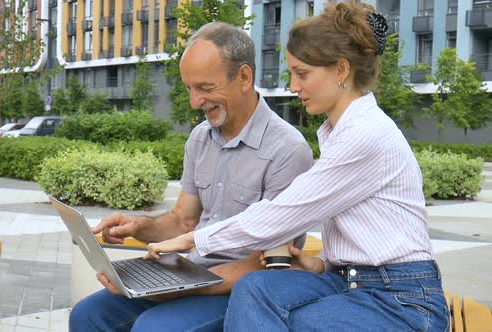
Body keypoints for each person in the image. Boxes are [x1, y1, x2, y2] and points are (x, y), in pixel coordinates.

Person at [146, 2, 449, 331]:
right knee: (255, 289)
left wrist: (193, 240)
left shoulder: (366, 136)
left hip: (402, 300)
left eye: (302, 73)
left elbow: (281, 214)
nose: (293, 86)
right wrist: (319, 266)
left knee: (298, 320)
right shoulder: (339, 132)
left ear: (341, 70)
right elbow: (366, 238)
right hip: (351, 282)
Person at [68, 22, 314, 332]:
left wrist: (180, 288)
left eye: (205, 88)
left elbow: (269, 262)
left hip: (242, 289)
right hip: (190, 275)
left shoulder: (288, 150)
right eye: (189, 88)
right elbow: (183, 221)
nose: (194, 102)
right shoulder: (200, 138)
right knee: (87, 315)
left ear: (244, 77)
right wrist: (139, 227)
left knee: (153, 328)